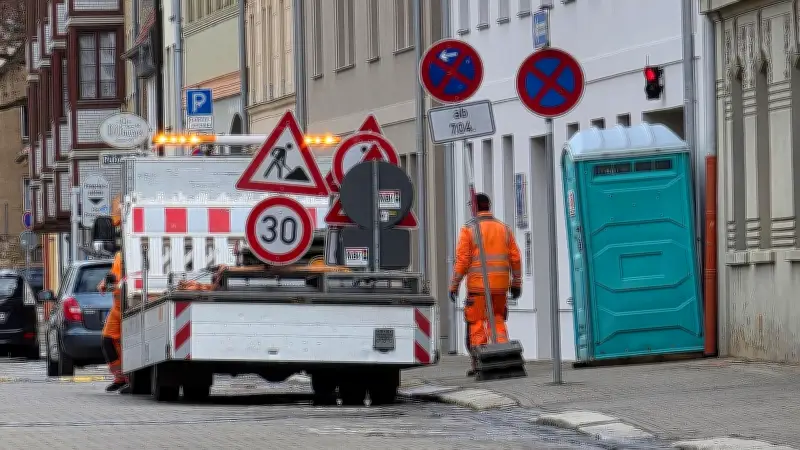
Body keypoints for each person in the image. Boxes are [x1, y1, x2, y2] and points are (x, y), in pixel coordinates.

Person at [449, 193, 522, 376]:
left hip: (478, 289)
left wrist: (454, 285)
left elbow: (462, 261)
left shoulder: (469, 230)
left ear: (473, 208)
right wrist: (517, 283)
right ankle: (504, 360)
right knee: (497, 319)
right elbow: (515, 258)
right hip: (500, 287)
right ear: (488, 206)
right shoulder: (504, 229)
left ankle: (480, 364)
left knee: (477, 324)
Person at [98, 196, 130, 393]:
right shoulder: (120, 255)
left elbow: (121, 279)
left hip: (125, 303)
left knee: (115, 341)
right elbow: (115, 277)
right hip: (119, 305)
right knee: (108, 339)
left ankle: (126, 376)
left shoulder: (126, 254)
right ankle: (121, 376)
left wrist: (111, 283)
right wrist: (107, 282)